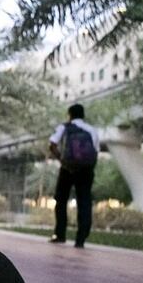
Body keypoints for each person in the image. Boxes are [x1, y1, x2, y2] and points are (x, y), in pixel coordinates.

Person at [48, 103, 100, 248]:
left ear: (70, 114)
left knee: (61, 200)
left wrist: (61, 159)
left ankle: (60, 234)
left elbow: (52, 144)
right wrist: (89, 167)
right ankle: (81, 239)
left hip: (67, 168)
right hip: (86, 171)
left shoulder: (64, 127)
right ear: (83, 115)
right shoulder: (92, 130)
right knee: (84, 202)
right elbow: (96, 152)